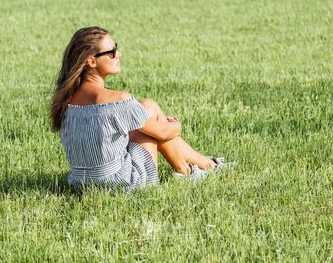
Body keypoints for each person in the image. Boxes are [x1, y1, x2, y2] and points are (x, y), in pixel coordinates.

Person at [50, 26, 236, 191]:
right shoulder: (118, 100)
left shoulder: (64, 101)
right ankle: (188, 171)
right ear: (91, 62)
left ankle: (205, 164)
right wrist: (176, 125)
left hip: (81, 185)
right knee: (152, 115)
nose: (118, 54)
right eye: (112, 52)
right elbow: (163, 134)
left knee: (147, 106)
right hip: (123, 184)